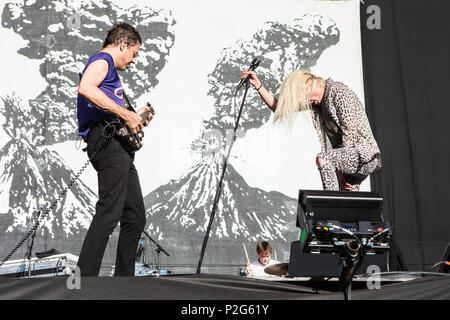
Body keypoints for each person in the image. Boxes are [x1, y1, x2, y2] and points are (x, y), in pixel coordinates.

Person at [76, 22, 153, 276]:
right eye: (134, 53)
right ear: (123, 44)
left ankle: (124, 278)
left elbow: (109, 108)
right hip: (107, 142)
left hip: (117, 143)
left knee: (135, 215)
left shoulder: (109, 70)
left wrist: (134, 118)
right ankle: (85, 278)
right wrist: (126, 114)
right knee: (110, 209)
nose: (133, 60)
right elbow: (86, 87)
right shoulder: (103, 60)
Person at [241, 68, 382, 191]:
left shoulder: (338, 91)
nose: (303, 102)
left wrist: (341, 171)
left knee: (323, 159)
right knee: (347, 199)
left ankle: (331, 207)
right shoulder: (317, 104)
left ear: (308, 88)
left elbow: (350, 132)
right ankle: (340, 217)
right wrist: (258, 85)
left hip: (364, 154)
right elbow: (279, 108)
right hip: (346, 160)